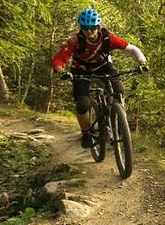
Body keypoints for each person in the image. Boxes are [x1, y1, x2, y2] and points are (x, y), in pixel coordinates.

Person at [51, 8, 148, 148]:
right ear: (81, 28)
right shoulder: (74, 41)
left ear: (98, 26)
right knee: (83, 104)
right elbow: (58, 60)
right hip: (81, 70)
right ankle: (86, 134)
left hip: (103, 65)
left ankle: (119, 119)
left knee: (118, 89)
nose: (89, 31)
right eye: (85, 28)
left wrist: (142, 62)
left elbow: (132, 49)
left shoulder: (108, 38)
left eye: (92, 28)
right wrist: (62, 72)